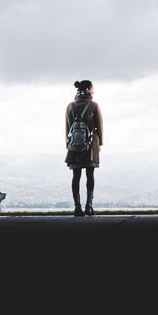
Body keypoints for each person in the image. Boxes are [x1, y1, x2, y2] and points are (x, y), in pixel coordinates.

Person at [65, 79, 102, 216]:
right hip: (91, 145)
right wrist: (100, 143)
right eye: (92, 88)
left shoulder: (70, 106)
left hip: (74, 146)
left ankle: (77, 207)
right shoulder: (93, 105)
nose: (93, 91)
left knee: (76, 176)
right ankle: (89, 206)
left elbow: (68, 128)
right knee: (90, 175)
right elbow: (99, 126)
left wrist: (68, 144)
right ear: (88, 90)